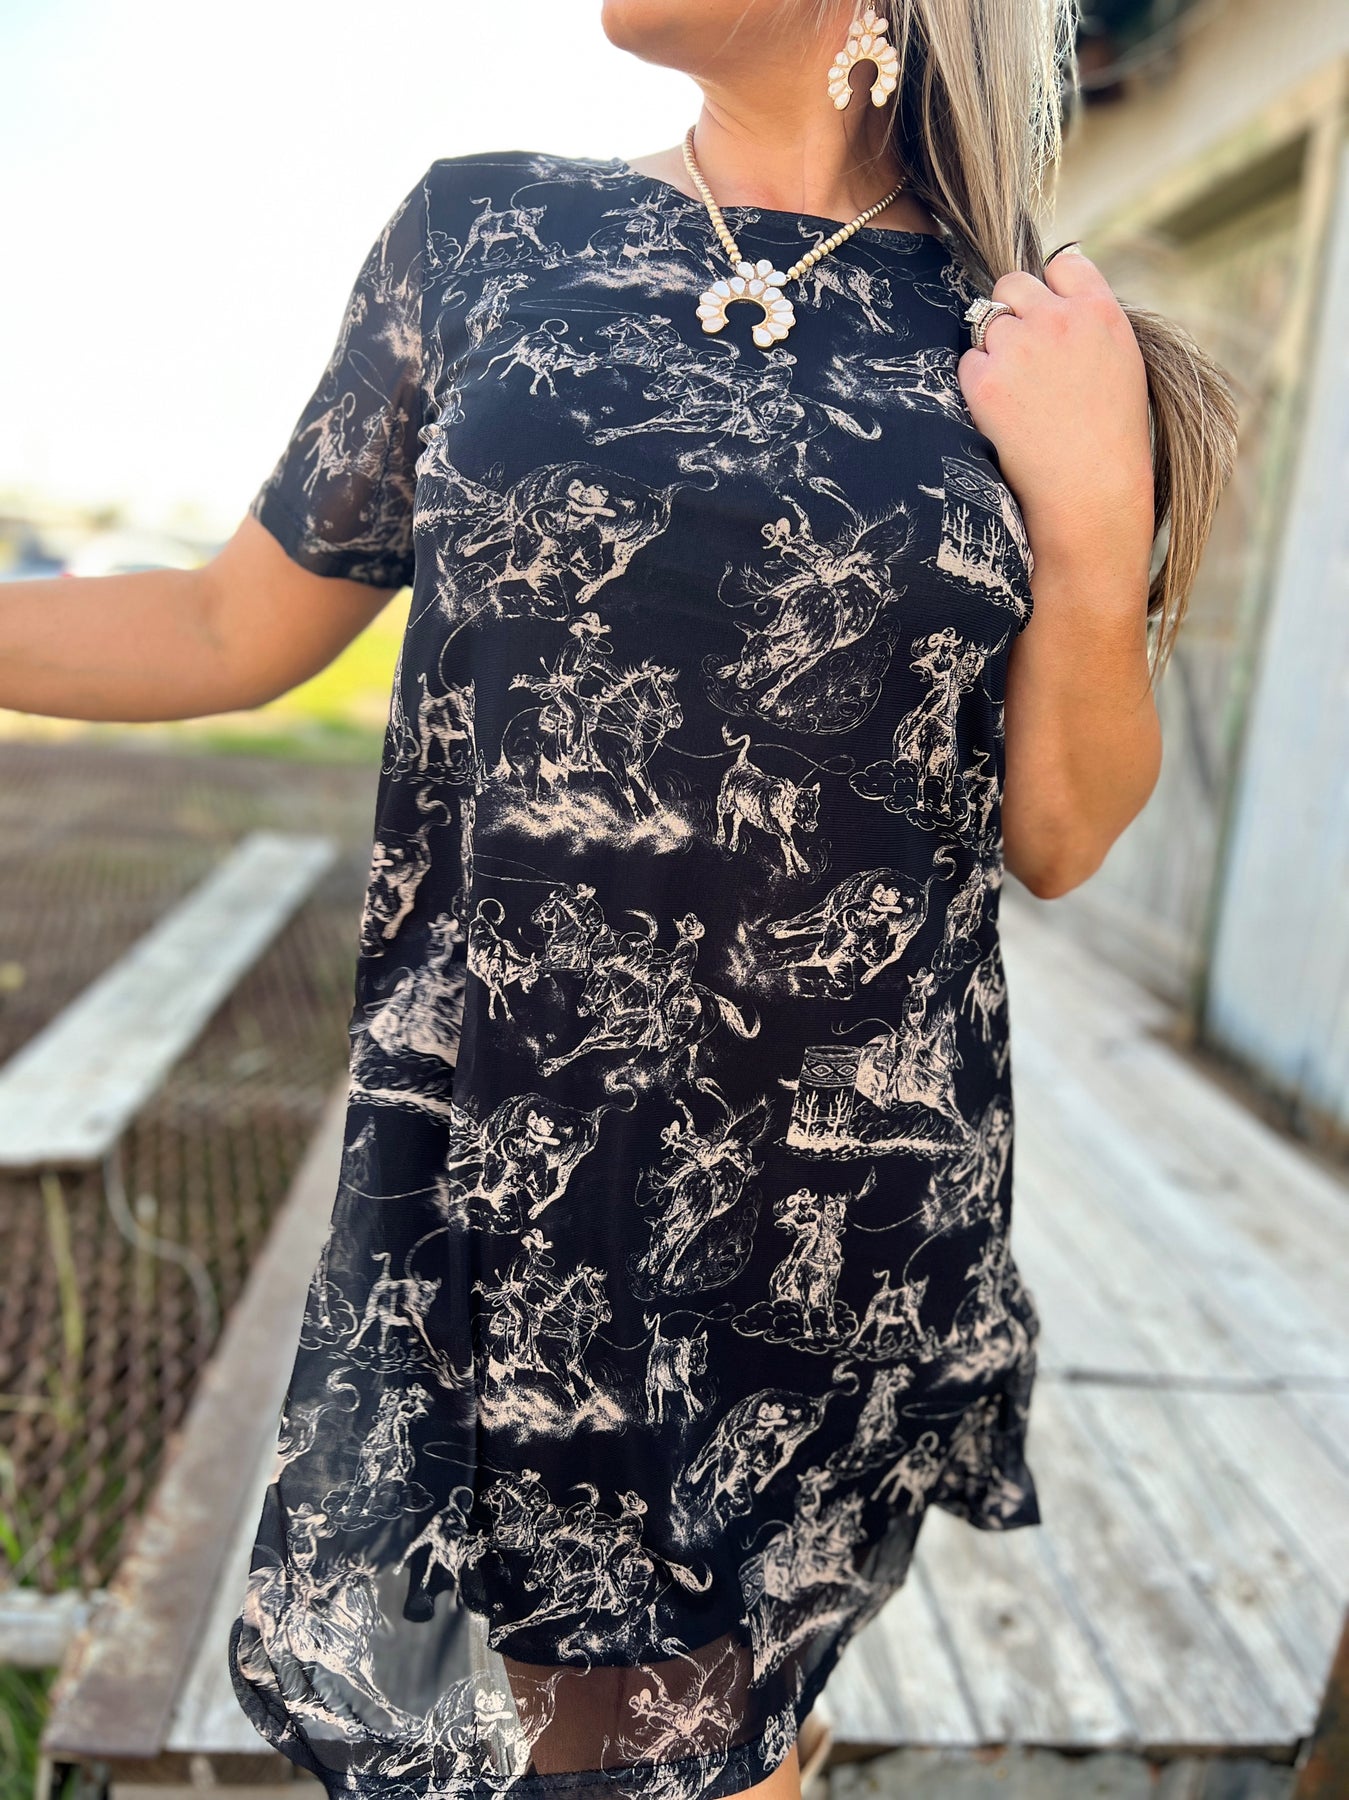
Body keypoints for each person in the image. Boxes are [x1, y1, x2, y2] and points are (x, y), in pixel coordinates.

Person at [1, 3, 1236, 1797]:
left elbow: (1059, 830)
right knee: (611, 1739)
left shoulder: (1027, 332)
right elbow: (221, 626)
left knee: (706, 1737)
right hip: (518, 1162)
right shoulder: (487, 230)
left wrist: (1096, 511)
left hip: (832, 1197)